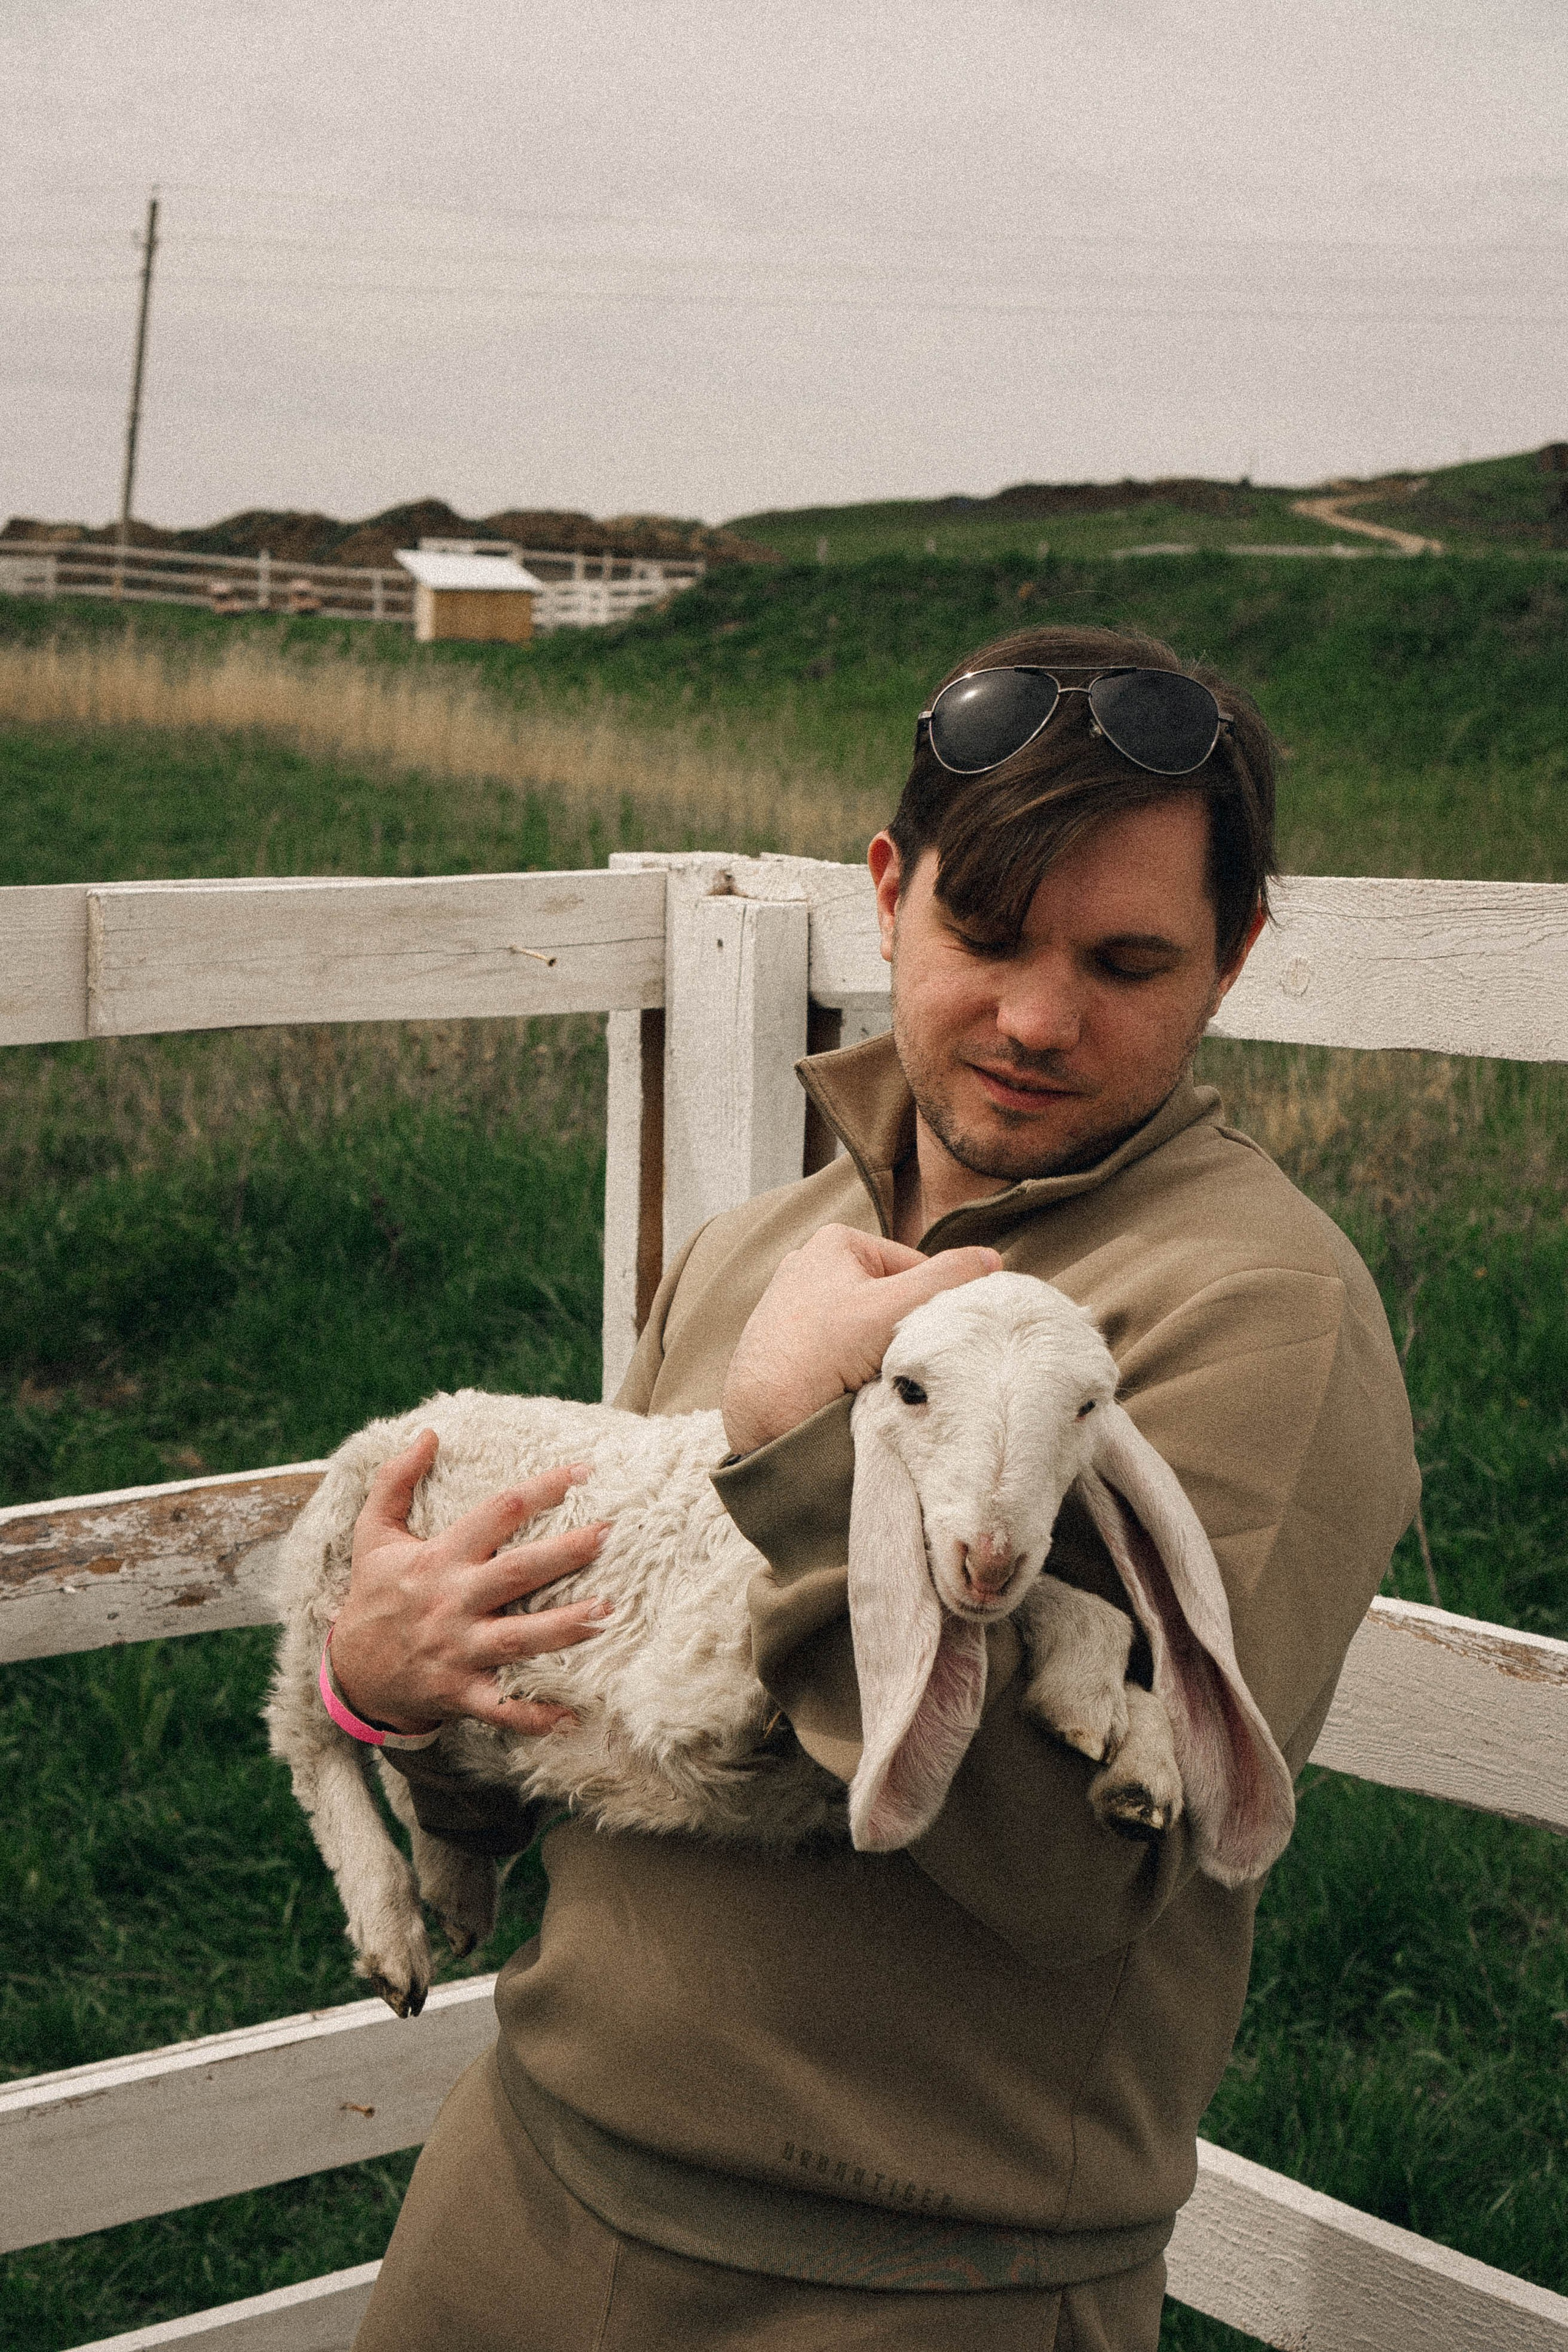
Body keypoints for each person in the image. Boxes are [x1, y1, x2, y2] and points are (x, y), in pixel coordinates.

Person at [336, 623, 1419, 2352]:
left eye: (1130, 961)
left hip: (899, 2293)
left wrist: (795, 1450)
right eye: (983, 934)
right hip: (515, 2195)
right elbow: (585, 1706)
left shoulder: (1250, 1312)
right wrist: (399, 1701)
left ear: (1236, 961)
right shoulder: (759, 1252)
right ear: (888, 894)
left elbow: (1079, 1877)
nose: (1038, 1018)